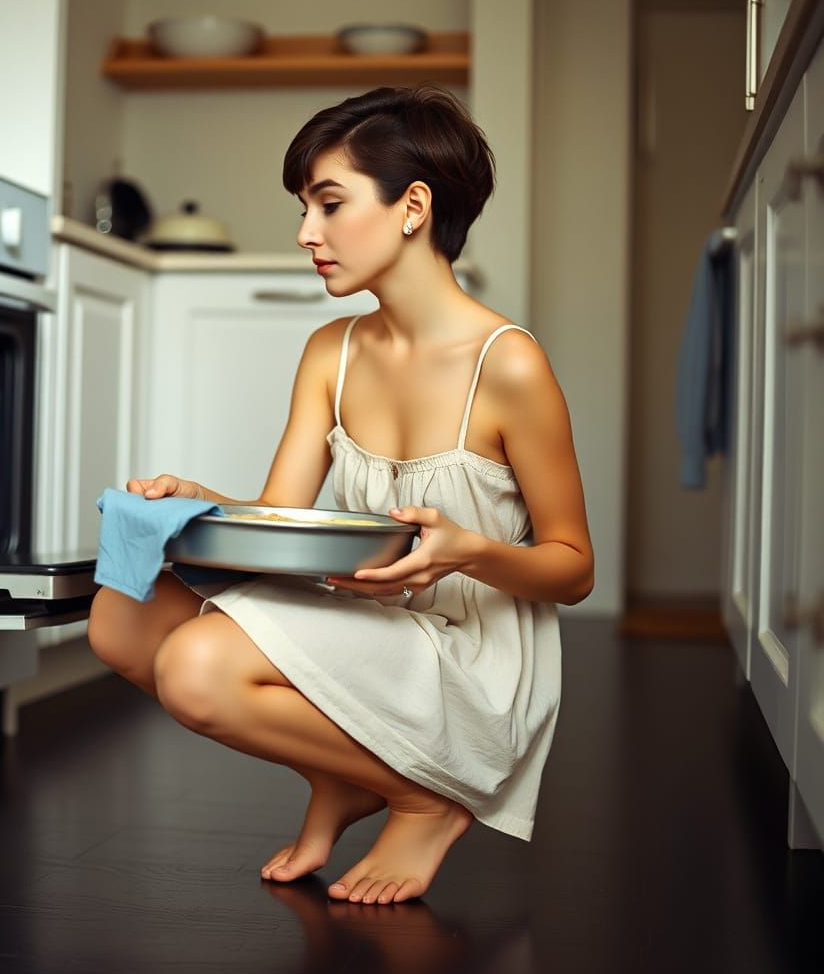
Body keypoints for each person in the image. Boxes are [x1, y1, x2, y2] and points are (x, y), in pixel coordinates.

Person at [88, 85, 594, 906]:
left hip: (469, 661)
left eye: (328, 204)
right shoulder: (333, 349)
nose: (305, 235)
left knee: (195, 666)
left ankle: (426, 796)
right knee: (120, 620)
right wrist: (193, 498)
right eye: (303, 208)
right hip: (368, 629)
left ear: (413, 207)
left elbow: (574, 570)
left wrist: (464, 549)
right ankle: (350, 774)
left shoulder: (509, 365)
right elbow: (278, 526)